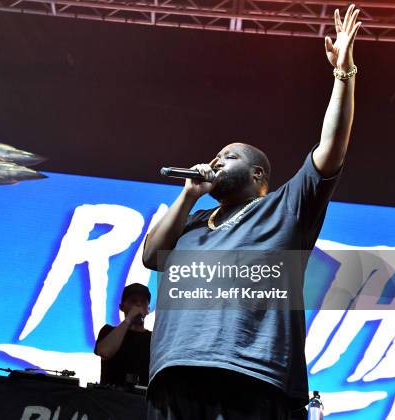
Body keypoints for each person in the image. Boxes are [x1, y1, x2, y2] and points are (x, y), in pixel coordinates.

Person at [142, 5, 362, 420]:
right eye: (216, 156)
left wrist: (343, 75)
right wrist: (189, 195)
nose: (217, 161)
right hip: (174, 373)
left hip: (249, 377)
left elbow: (331, 150)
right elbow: (153, 257)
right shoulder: (192, 223)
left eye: (229, 156)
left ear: (258, 172)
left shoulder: (285, 207)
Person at [94, 283, 152, 387]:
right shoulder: (108, 331)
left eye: (143, 302)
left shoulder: (153, 338)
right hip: (110, 398)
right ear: (122, 307)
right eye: (133, 301)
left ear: (148, 309)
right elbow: (105, 352)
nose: (138, 305)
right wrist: (129, 319)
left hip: (141, 400)